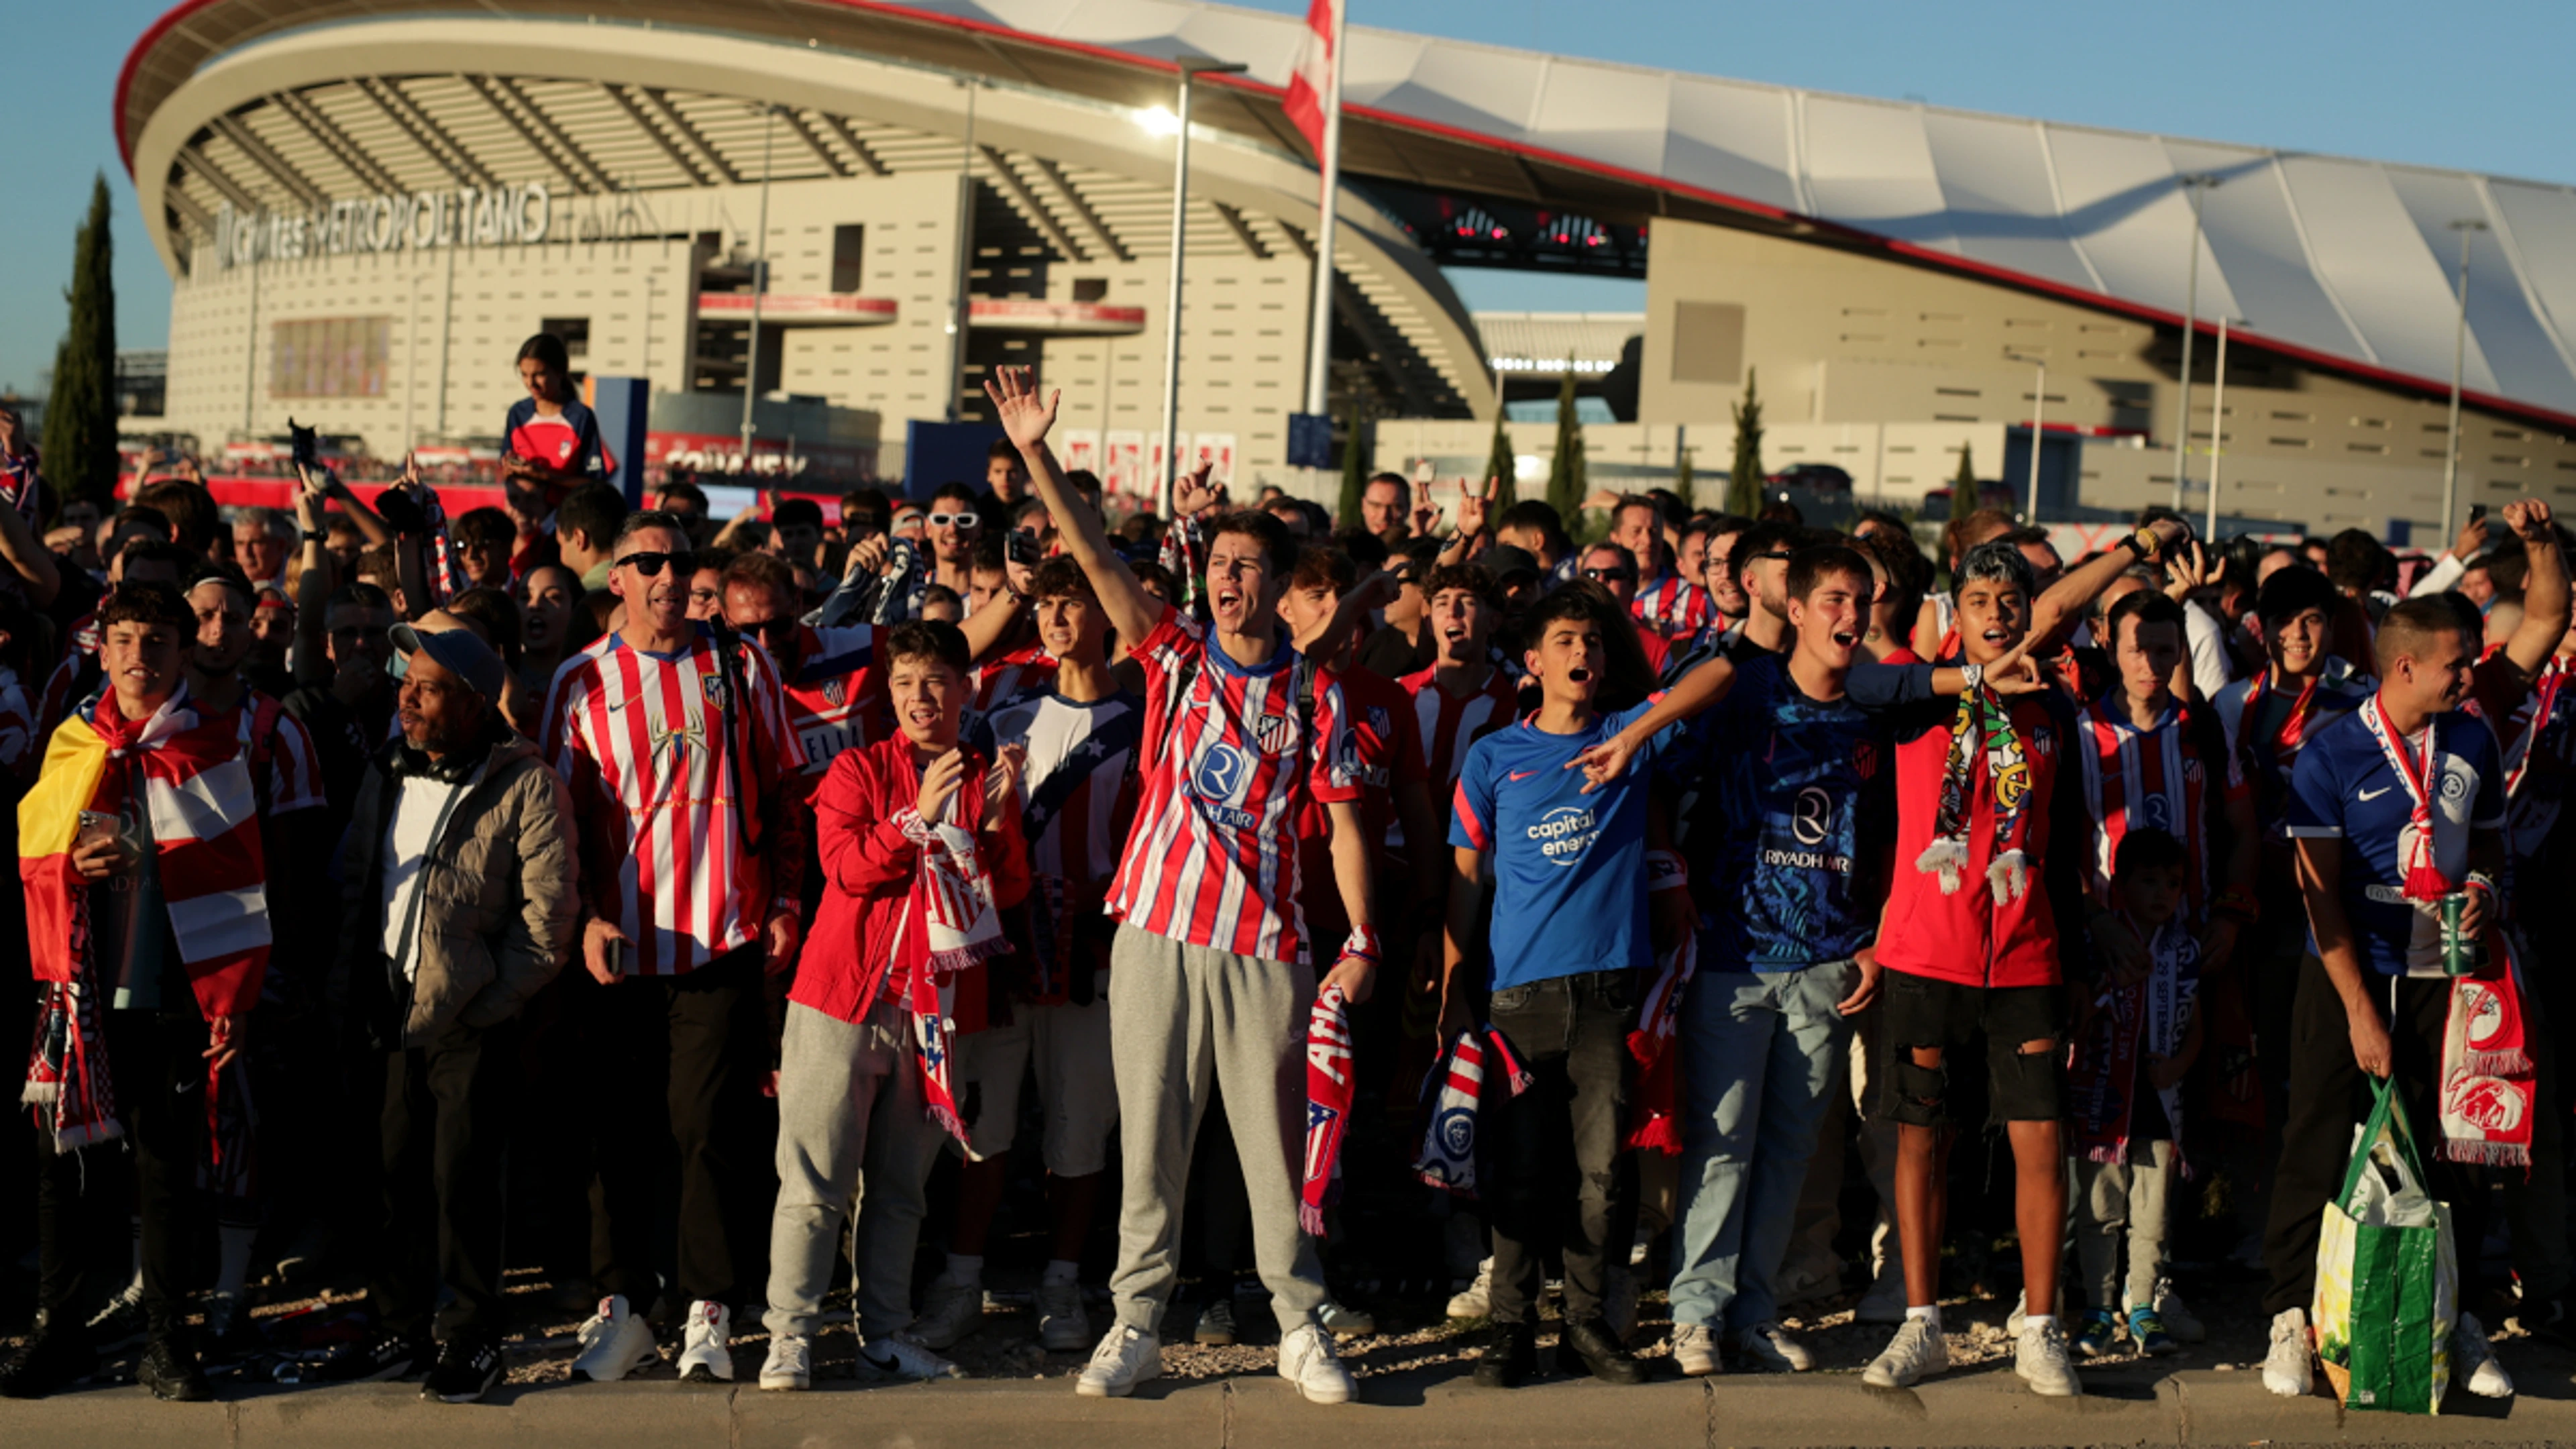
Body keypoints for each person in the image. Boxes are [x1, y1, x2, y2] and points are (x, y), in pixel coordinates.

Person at [987, 365, 1382, 1406]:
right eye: (1217, 563)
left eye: (1249, 566)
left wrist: (1362, 938)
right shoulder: (1171, 656)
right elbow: (1094, 557)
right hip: (1155, 934)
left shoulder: (1316, 693)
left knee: (1272, 1150)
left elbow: (1344, 828)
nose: (1227, 580)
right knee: (1150, 1139)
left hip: (1267, 951)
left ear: (1283, 583)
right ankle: (1135, 1323)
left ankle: (1300, 1325)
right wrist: (1035, 454)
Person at [1858, 521, 2184, 1397]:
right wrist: (1968, 677)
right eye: (1979, 603)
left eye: (2011, 603)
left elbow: (2070, 845)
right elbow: (1852, 680)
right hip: (1927, 957)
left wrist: (2079, 957)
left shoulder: (2051, 710)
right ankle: (1921, 1324)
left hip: (2028, 961)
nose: (1999, 616)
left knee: (2042, 1139)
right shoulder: (1915, 694)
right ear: (1952, 616)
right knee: (1923, 1137)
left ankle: (2042, 1327)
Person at [541, 511, 808, 1385]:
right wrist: (581, 922)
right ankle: (623, 1307)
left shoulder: (741, 664)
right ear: (613, 578)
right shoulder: (580, 681)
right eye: (645, 562)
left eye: (678, 560)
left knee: (707, 1132)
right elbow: (559, 827)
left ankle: (708, 1310)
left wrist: (788, 897)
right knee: (618, 1134)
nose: (665, 576)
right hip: (618, 952)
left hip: (719, 942)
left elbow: (786, 792)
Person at [4, 582, 275, 1402]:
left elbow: (240, 881)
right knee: (64, 1168)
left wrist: (233, 997)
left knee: (164, 1169)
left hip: (167, 995)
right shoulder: (72, 741)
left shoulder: (213, 748)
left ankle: (167, 1338)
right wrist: (64, 867)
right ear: (101, 646)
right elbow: (27, 853)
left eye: (156, 642)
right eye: (122, 639)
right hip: (75, 1000)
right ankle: (61, 1330)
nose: (137, 658)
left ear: (183, 652)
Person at [758, 621, 1029, 1390]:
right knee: (814, 1178)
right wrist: (918, 816)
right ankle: (792, 1336)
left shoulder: (985, 775)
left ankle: (883, 1333)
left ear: (964, 692)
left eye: (937, 680)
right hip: (842, 1000)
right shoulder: (855, 769)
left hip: (932, 1014)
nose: (920, 696)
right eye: (906, 681)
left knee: (902, 1187)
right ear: (890, 691)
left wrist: (999, 823)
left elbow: (1004, 894)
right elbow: (845, 869)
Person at [2258, 596, 2516, 1403]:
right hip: (2351, 973)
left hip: (2449, 973)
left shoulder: (2473, 735)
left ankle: (2456, 1317)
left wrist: (2484, 889)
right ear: (2405, 667)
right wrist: (2361, 1011)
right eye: (2456, 663)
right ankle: (2291, 1318)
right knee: (2319, 1140)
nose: (2470, 676)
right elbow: (2319, 898)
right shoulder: (2329, 754)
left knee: (2457, 1149)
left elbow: (2491, 847)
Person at [315, 615, 577, 1403]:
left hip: (470, 1017)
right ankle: (397, 1322)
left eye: (428, 690)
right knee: (392, 1174)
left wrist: (484, 1004)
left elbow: (548, 922)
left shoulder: (527, 782)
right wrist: (347, 989)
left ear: (471, 700)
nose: (409, 702)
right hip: (387, 1008)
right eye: (406, 686)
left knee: (463, 1182)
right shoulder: (387, 769)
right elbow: (354, 880)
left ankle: (470, 1335)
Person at [1441, 586, 1677, 1389]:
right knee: (1522, 1173)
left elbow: (1713, 678)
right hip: (1517, 1000)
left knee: (1602, 1175)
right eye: (1568, 641)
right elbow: (1467, 880)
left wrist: (1633, 732)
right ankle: (1510, 1328)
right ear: (1535, 662)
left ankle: (1583, 1326)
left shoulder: (1626, 739)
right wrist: (1451, 991)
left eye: (1596, 644)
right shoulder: (1492, 756)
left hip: (1607, 996)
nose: (1585, 654)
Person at [914, 558, 1138, 1356]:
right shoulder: (1002, 712)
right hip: (1002, 952)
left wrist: (1099, 901)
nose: (1055, 618)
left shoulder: (1149, 720)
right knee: (982, 1125)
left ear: (1107, 612)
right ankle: (960, 1281)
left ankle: (1062, 1283)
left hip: (1095, 958)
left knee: (1080, 1128)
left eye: (1072, 603)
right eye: (1045, 604)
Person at [2063, 827, 2200, 1359]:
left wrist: (2180, 1065)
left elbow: (2199, 1027)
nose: (2163, 893)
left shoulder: (2184, 948)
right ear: (2118, 885)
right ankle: (2097, 1308)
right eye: (2149, 882)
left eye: (2173, 882)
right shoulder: (2098, 944)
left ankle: (2141, 1304)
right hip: (2101, 1100)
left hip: (2161, 1105)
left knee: (2154, 1212)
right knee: (2100, 1207)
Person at [500, 331, 612, 519]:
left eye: (539, 375)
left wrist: (547, 477)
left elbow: (594, 484)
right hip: (522, 521)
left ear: (560, 371)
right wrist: (511, 468)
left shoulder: (581, 417)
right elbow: (505, 473)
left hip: (565, 521)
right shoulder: (517, 414)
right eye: (525, 375)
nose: (531, 383)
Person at [1613, 495, 1711, 641]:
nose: (1647, 541)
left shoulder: (1696, 599)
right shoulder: (1602, 594)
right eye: (1636, 531)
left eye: (1653, 532)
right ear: (1616, 539)